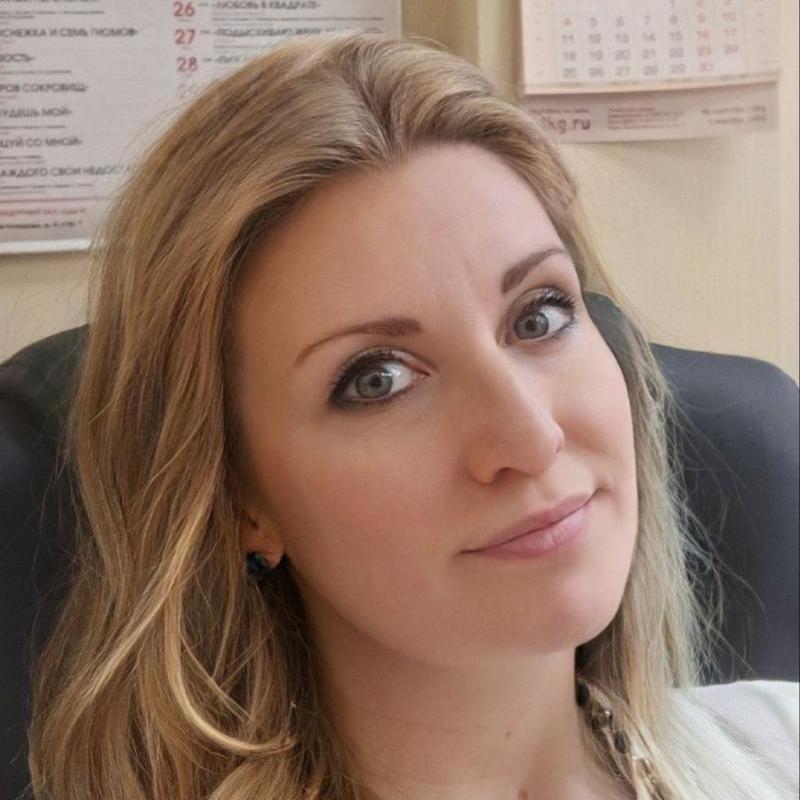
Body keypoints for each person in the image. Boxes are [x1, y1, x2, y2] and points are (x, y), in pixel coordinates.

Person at [26, 31, 797, 800]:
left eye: (538, 316)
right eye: (378, 380)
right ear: (238, 499)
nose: (532, 438)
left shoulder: (780, 745)